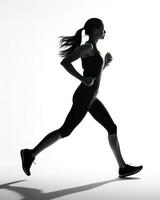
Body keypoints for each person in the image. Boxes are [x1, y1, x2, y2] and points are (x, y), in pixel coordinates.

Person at [20, 18, 143, 178]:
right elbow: (65, 62)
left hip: (91, 98)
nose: (105, 32)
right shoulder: (88, 47)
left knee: (112, 127)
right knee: (65, 131)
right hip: (84, 97)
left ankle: (122, 167)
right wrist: (81, 78)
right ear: (95, 30)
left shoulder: (94, 49)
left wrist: (105, 64)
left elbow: (93, 74)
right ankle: (30, 153)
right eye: (103, 28)